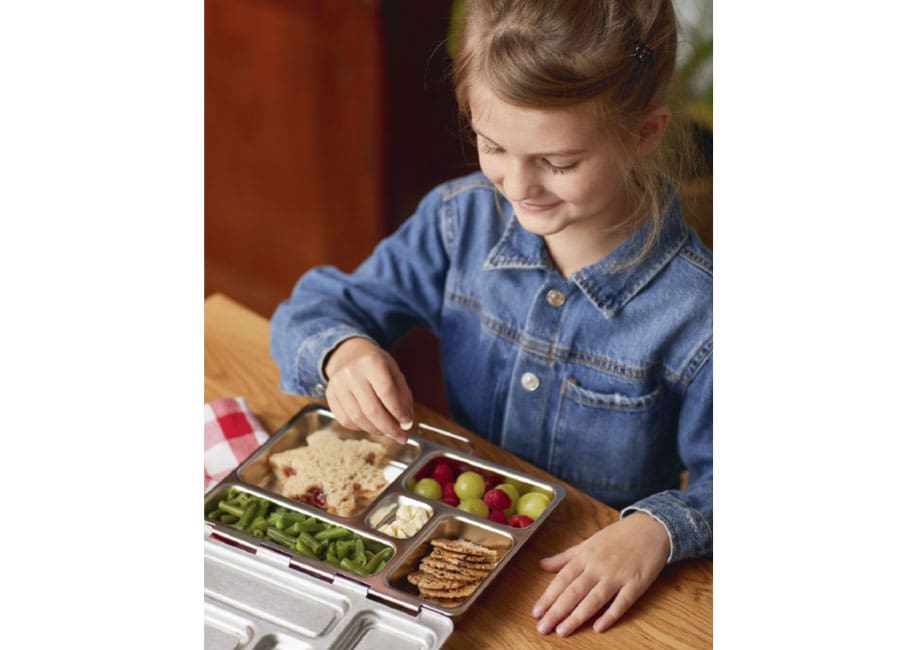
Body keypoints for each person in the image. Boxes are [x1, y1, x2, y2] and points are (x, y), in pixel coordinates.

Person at [271, 0, 711, 637]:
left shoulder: (700, 309)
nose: (518, 184)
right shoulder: (459, 222)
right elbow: (312, 311)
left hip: (582, 587)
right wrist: (343, 353)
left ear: (645, 131)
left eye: (558, 163)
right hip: (450, 553)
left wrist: (655, 530)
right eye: (493, 145)